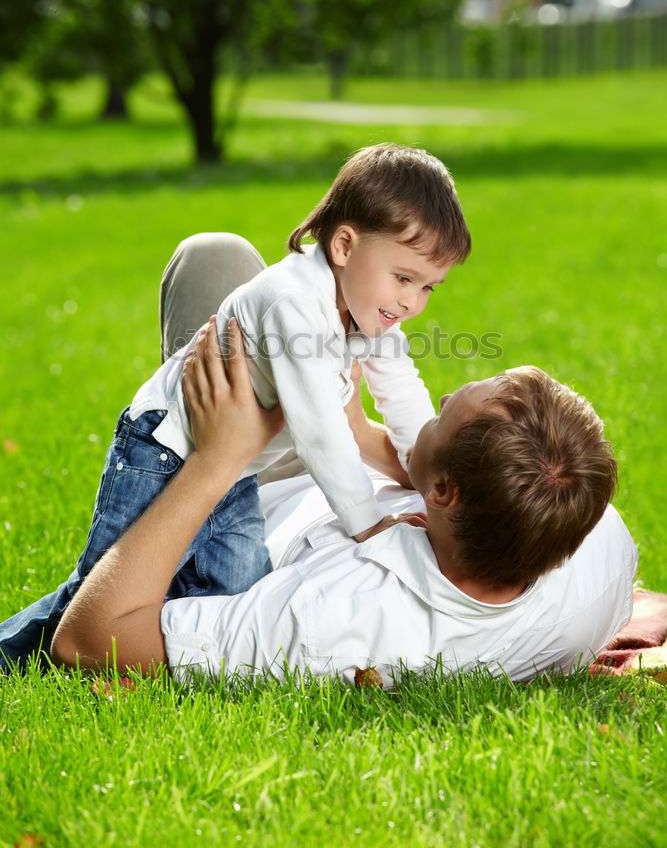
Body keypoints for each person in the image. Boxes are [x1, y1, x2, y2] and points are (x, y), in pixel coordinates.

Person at [0, 144, 470, 671]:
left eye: (429, 287)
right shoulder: (294, 303)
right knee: (102, 587)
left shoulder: (369, 308)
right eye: (404, 278)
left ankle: (153, 654)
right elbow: (319, 430)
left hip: (241, 466)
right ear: (343, 245)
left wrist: (432, 475)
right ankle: (19, 651)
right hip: (164, 448)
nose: (412, 301)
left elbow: (403, 394)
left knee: (236, 588)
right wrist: (365, 524)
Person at [50, 312, 638, 685]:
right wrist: (356, 435)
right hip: (324, 473)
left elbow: (83, 640)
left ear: (442, 493)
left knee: (218, 263)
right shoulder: (591, 539)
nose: (444, 395)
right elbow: (501, 490)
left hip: (244, 495)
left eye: (442, 414)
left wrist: (216, 460)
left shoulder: (331, 622)